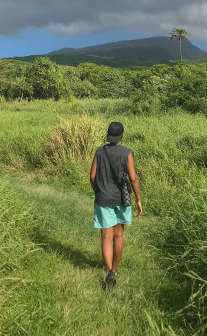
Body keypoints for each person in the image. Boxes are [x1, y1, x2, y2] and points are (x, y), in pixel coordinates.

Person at [89, 121, 142, 289]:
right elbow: (133, 179)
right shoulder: (126, 153)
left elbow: (92, 176)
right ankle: (115, 270)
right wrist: (138, 200)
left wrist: (97, 191)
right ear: (122, 136)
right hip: (121, 199)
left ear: (108, 135)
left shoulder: (99, 151)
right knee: (118, 236)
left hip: (103, 198)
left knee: (106, 237)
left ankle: (108, 271)